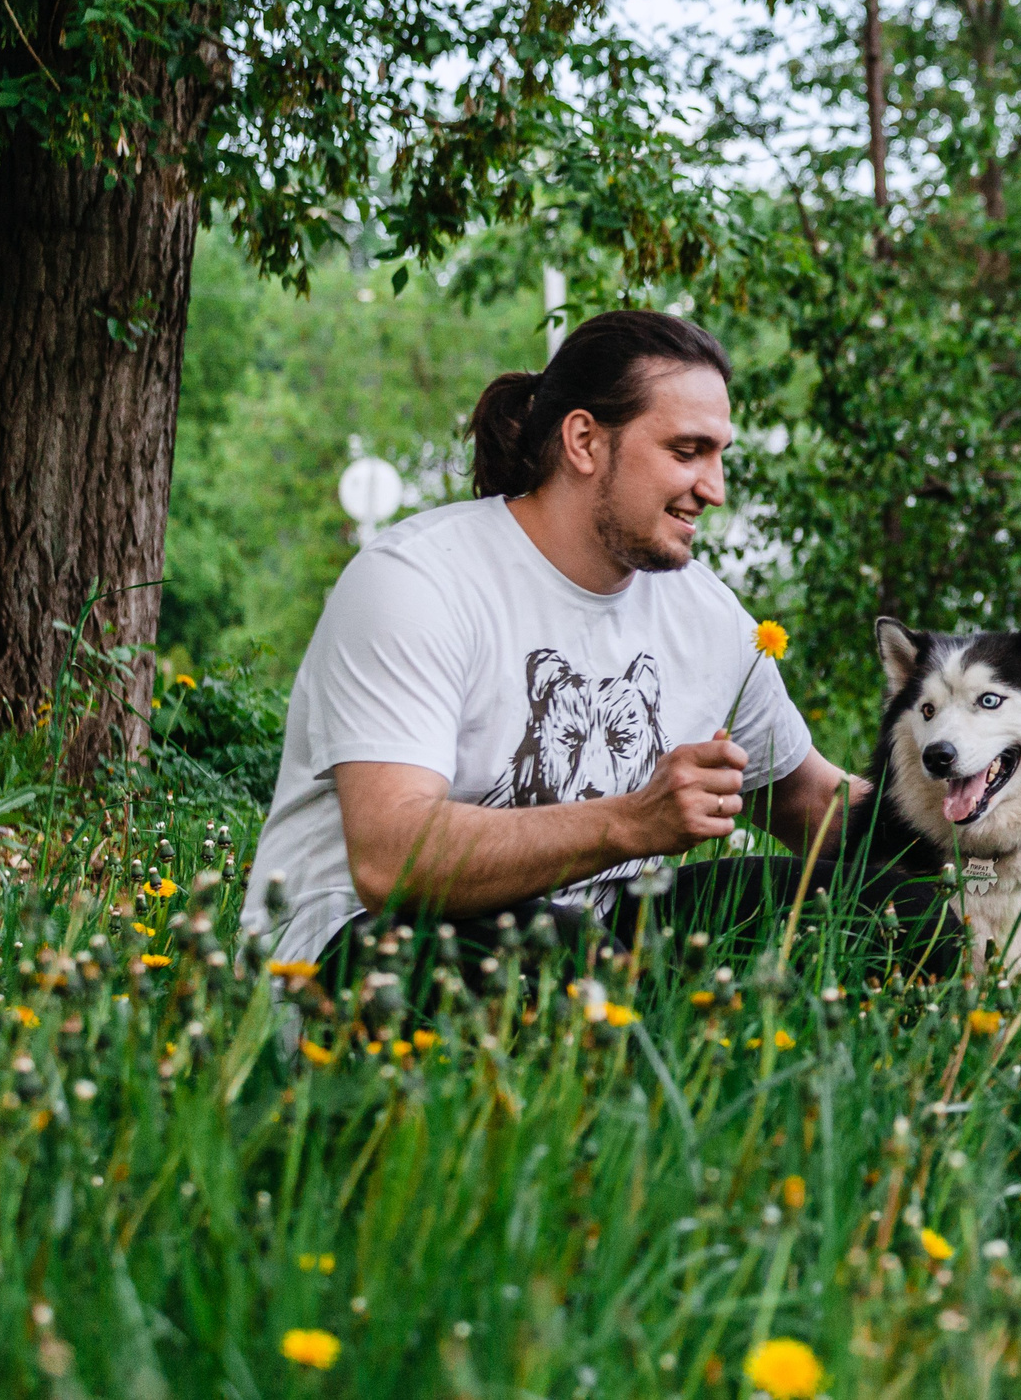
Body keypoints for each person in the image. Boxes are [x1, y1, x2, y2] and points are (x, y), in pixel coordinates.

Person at [240, 310, 932, 994]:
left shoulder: (705, 611)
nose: (714, 488)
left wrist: (984, 828)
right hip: (363, 938)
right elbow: (392, 858)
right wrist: (632, 822)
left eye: (721, 455)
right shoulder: (418, 580)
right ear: (583, 440)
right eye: (687, 451)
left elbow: (808, 798)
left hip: (599, 930)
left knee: (892, 907)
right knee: (563, 956)